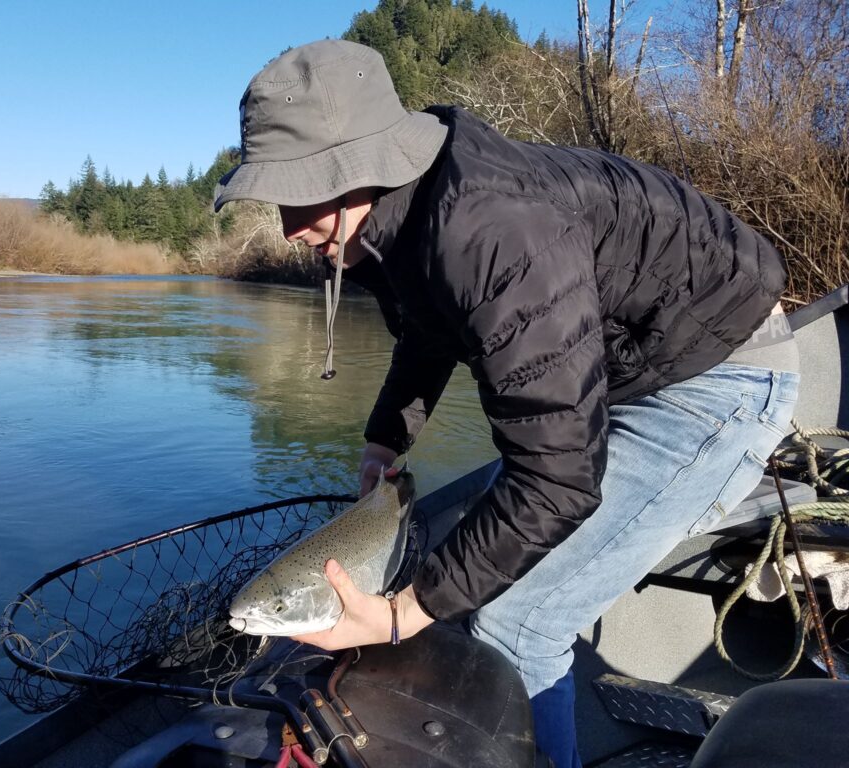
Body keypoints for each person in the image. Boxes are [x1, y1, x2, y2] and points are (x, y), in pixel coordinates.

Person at [214, 39, 799, 768]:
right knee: (470, 573)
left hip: (718, 377)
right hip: (624, 369)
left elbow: (560, 481)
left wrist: (400, 616)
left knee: (516, 618)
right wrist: (384, 441)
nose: (289, 227)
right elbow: (430, 330)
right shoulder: (402, 214)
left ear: (364, 164)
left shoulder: (493, 230)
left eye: (303, 192)